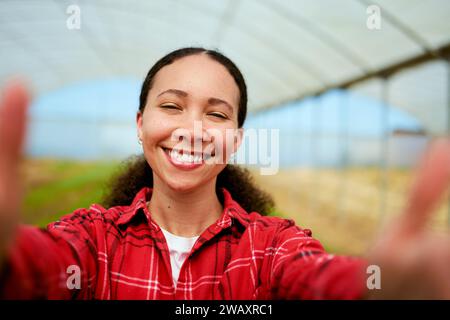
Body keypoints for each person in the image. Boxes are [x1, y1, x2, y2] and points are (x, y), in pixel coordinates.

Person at [1, 47, 450, 300]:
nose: (193, 129)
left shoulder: (271, 247)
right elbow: (37, 267)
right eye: (172, 106)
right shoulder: (93, 240)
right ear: (141, 125)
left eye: (216, 115)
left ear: (235, 139)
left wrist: (376, 285)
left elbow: (315, 278)